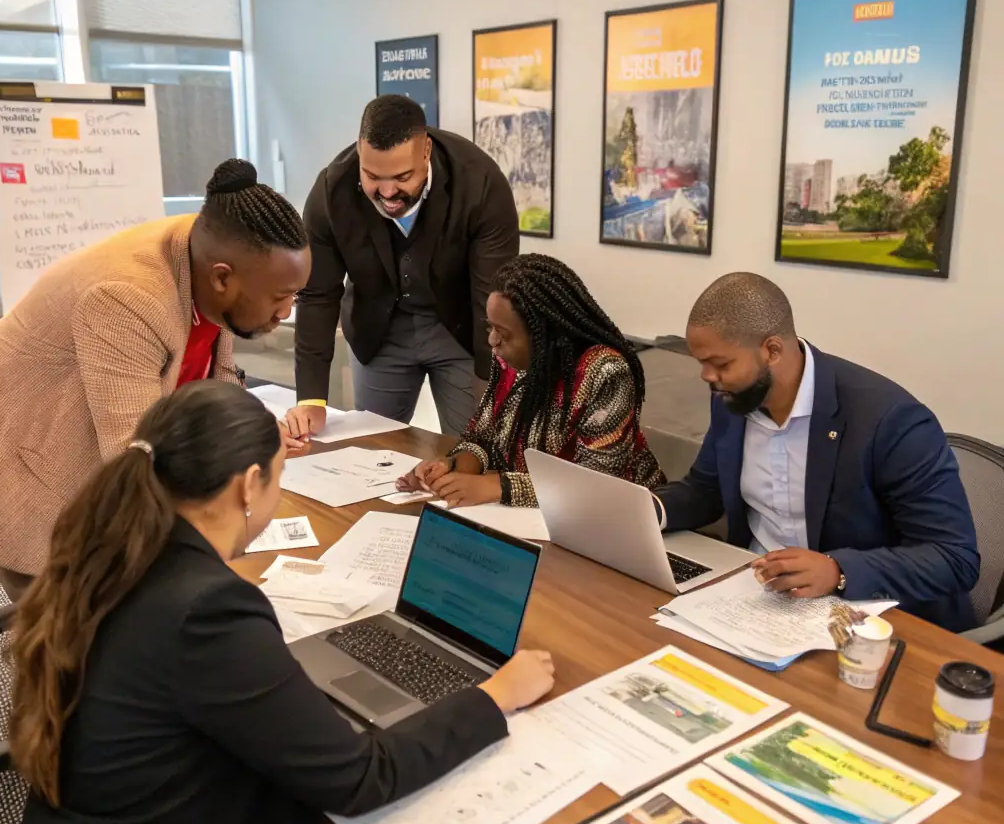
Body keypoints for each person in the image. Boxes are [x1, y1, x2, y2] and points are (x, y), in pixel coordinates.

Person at [0, 382, 553, 824]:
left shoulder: (117, 557)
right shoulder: (205, 608)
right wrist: (493, 696)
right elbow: (358, 778)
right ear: (249, 483)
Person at [0, 159, 310, 599]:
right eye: (279, 297)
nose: (286, 312)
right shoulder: (129, 297)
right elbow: (137, 451)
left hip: (96, 453)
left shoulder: (212, 254)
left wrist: (250, 435)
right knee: (69, 640)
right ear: (223, 279)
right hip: (34, 465)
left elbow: (219, 370)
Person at [655, 272, 978, 631]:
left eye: (721, 364)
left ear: (772, 350)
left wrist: (838, 570)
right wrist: (648, 511)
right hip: (755, 599)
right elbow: (707, 489)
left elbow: (953, 558)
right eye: (701, 363)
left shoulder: (890, 420)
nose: (707, 377)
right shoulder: (734, 398)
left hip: (865, 615)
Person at [287, 95, 519, 442]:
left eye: (402, 176)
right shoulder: (331, 192)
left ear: (425, 151)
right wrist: (311, 398)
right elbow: (317, 295)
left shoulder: (480, 184)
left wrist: (494, 397)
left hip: (461, 329)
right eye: (371, 176)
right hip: (377, 330)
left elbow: (492, 298)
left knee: (474, 449)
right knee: (373, 454)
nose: (387, 192)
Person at [399, 255, 665, 508]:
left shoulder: (605, 372)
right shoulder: (509, 361)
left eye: (502, 332)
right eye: (490, 327)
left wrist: (499, 487)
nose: (492, 341)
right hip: (537, 513)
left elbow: (594, 481)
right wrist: (453, 467)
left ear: (544, 335)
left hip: (618, 517)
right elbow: (482, 437)